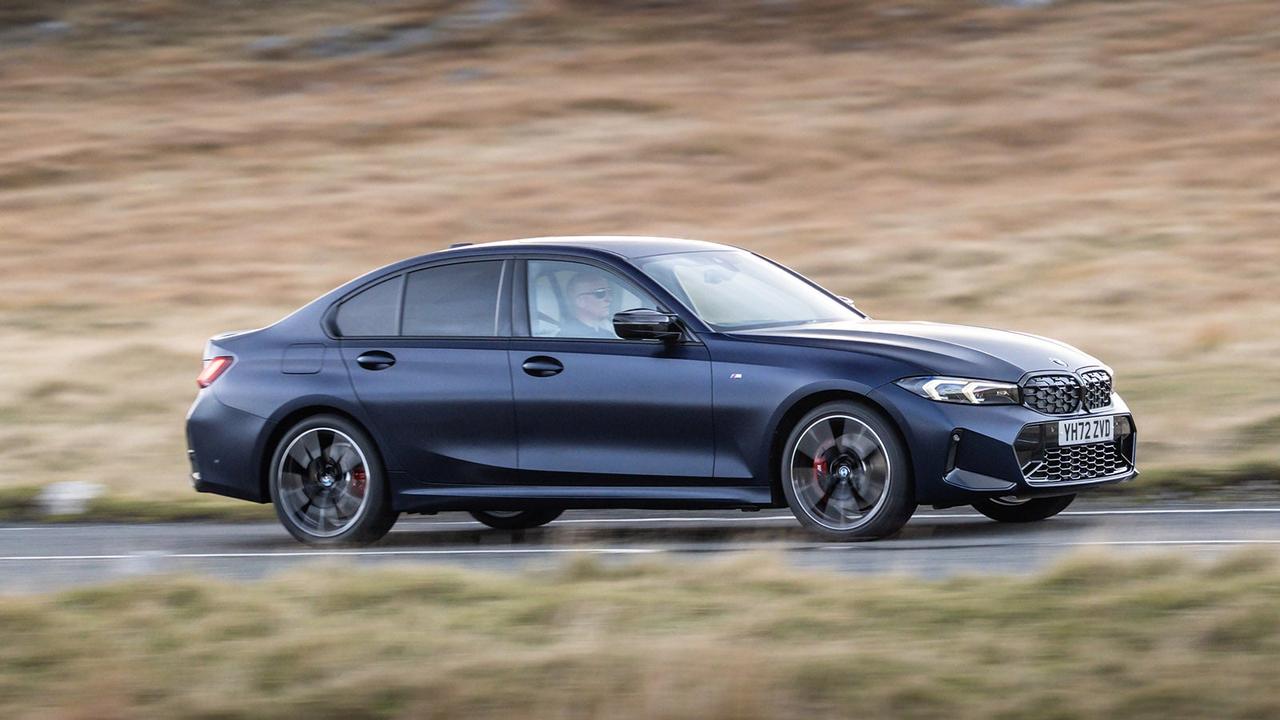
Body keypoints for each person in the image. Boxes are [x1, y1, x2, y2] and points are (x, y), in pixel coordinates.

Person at [558, 271, 618, 338]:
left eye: (609, 291)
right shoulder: (568, 337)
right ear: (581, 301)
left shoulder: (607, 335)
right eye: (600, 293)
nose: (609, 298)